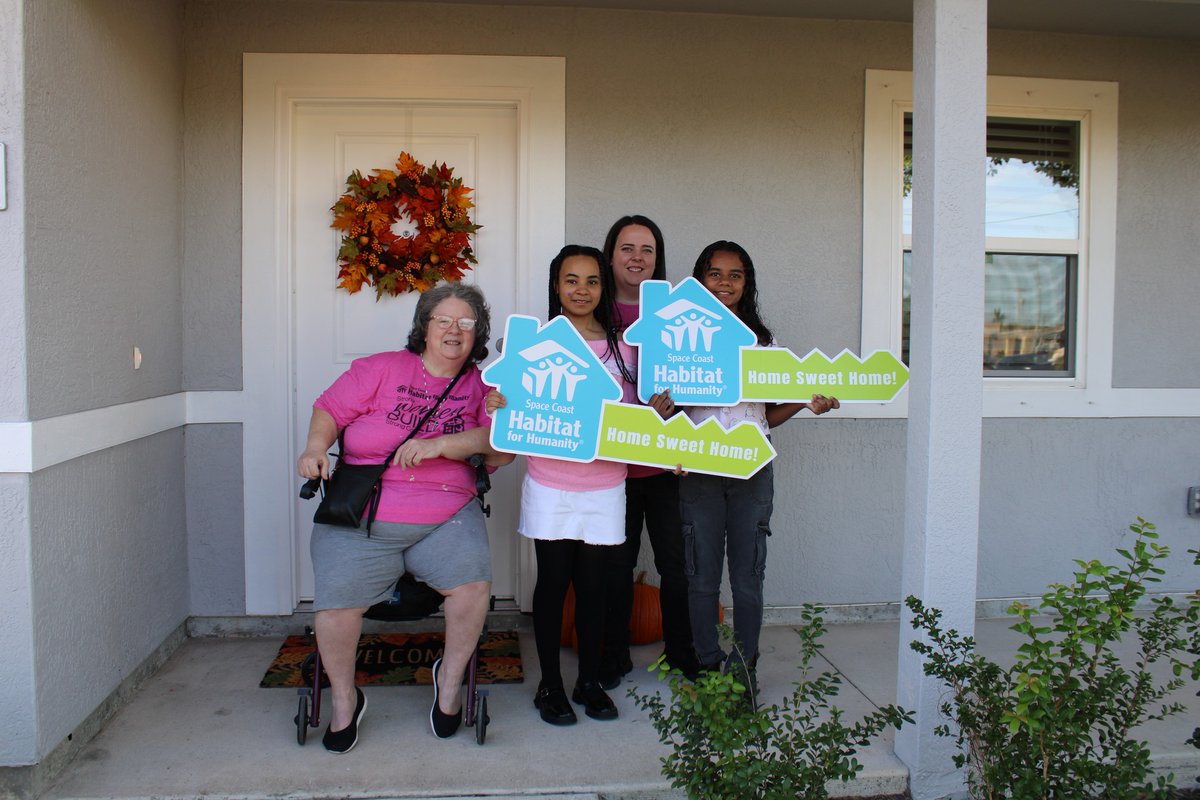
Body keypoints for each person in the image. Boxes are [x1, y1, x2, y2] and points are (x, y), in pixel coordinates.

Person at [296, 283, 514, 753]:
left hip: (446, 512)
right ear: (425, 326)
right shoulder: (380, 369)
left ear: (478, 333)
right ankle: (343, 701)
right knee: (334, 606)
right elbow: (329, 409)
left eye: (466, 323)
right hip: (365, 512)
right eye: (444, 320)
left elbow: (502, 451)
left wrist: (445, 444)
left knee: (473, 586)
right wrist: (316, 448)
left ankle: (449, 684)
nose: (454, 330)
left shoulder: (485, 386)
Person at [488, 245, 672, 725]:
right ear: (556, 286)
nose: (582, 290)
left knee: (596, 587)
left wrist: (657, 415)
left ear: (602, 287)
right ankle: (549, 685)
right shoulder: (533, 345)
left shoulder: (624, 347)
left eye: (592, 281)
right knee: (553, 583)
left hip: (606, 485)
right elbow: (511, 400)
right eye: (572, 280)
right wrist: (497, 402)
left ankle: (588, 680)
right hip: (550, 483)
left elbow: (636, 414)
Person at [681, 240, 839, 699]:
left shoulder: (765, 344)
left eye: (735, 275)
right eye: (714, 273)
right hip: (699, 471)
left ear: (746, 283)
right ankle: (710, 668)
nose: (724, 282)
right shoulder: (677, 340)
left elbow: (765, 417)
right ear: (700, 279)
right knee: (701, 576)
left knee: (748, 576)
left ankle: (744, 669)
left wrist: (807, 404)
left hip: (752, 471)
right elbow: (667, 414)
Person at [599, 215, 700, 687]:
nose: (637, 257)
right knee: (614, 565)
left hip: (663, 465)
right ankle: (613, 654)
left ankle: (683, 653)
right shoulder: (590, 311)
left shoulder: (673, 313)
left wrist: (677, 400)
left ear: (658, 260)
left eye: (647, 249)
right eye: (627, 247)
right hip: (609, 466)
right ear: (610, 253)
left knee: (675, 564)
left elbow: (702, 375)